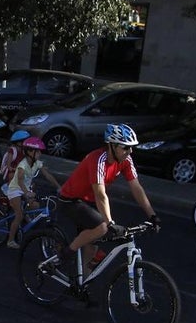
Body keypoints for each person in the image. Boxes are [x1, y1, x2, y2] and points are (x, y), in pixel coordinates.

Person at [48, 123, 160, 287]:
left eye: (131, 148)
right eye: (125, 147)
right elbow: (101, 194)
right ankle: (66, 254)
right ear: (112, 146)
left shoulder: (125, 160)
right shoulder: (97, 159)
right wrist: (109, 222)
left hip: (88, 200)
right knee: (102, 227)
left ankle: (83, 284)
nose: (130, 152)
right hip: (71, 200)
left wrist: (152, 215)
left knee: (92, 247)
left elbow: (136, 188)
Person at [5, 137, 61, 248]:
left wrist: (59, 187)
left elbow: (47, 175)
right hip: (15, 189)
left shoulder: (37, 163)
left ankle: (24, 218)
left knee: (36, 206)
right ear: (30, 152)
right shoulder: (22, 165)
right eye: (38, 151)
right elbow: (20, 180)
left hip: (25, 189)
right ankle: (10, 241)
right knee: (19, 215)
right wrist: (27, 193)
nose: (40, 153)